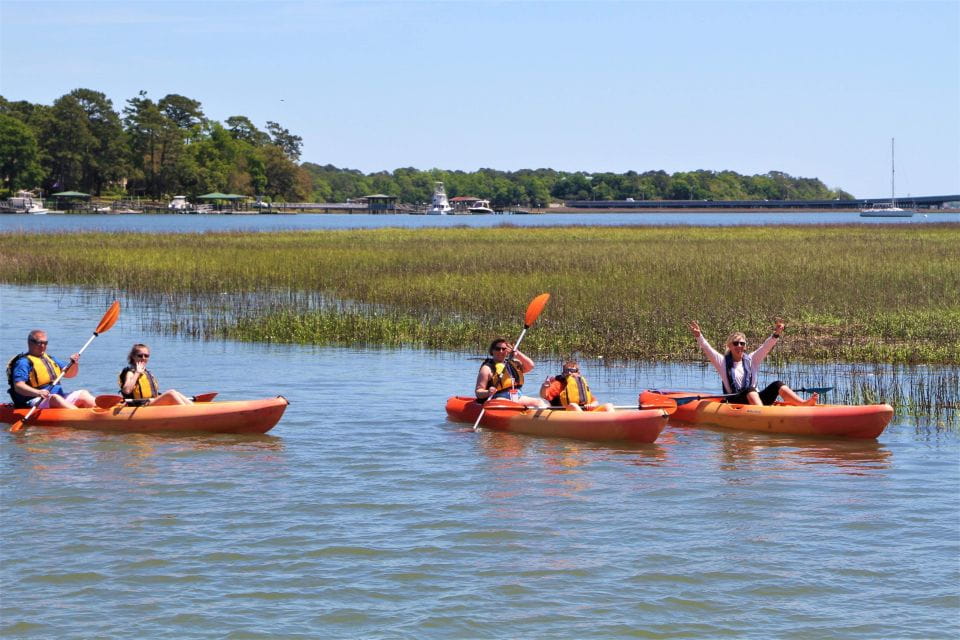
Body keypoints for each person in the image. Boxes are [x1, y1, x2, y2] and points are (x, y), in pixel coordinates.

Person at [688, 320, 817, 406]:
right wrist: (699, 336)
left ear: (745, 346)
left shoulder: (751, 359)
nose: (739, 346)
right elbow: (708, 349)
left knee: (778, 384)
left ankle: (803, 404)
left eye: (742, 343)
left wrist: (776, 334)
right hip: (737, 401)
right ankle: (762, 415)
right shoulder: (722, 362)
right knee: (750, 389)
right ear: (730, 346)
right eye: (735, 343)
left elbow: (765, 347)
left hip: (756, 399)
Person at [6, 329, 96, 409]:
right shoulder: (23, 362)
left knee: (83, 393)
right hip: (35, 400)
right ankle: (80, 416)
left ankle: (101, 411)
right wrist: (38, 392)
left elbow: (70, 375)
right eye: (39, 343)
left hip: (57, 397)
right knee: (55, 398)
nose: (43, 346)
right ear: (30, 343)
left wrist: (74, 364)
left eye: (45, 343)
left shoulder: (50, 359)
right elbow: (18, 386)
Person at [475, 337, 548, 407]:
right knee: (507, 404)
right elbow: (478, 392)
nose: (501, 351)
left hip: (517, 396)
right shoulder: (487, 369)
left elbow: (530, 365)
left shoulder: (513, 364)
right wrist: (488, 392)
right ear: (492, 351)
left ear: (507, 351)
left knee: (540, 402)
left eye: (504, 349)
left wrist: (517, 353)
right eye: (497, 349)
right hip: (498, 399)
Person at [119, 343, 193, 406]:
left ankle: (193, 409)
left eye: (146, 356)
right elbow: (127, 390)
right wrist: (137, 373)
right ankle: (189, 412)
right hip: (141, 406)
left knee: (176, 393)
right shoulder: (130, 373)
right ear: (133, 357)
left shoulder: (146, 372)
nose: (143, 358)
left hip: (152, 402)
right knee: (171, 393)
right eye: (140, 355)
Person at [539, 360, 614, 411]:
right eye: (566, 371)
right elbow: (544, 396)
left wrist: (592, 405)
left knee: (609, 405)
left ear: (578, 373)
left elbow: (595, 401)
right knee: (573, 406)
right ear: (563, 373)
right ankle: (586, 424)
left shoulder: (581, 384)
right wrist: (544, 387)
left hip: (583, 412)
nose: (569, 373)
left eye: (572, 371)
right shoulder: (558, 384)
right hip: (565, 412)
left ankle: (613, 424)